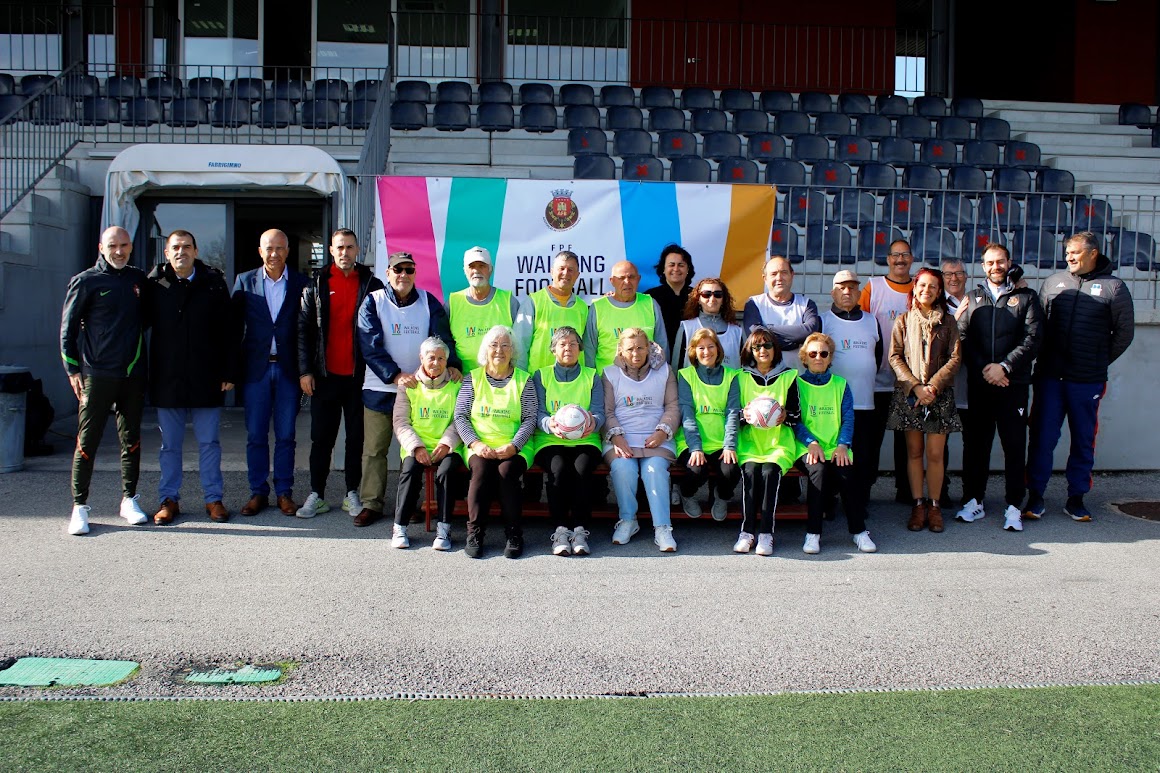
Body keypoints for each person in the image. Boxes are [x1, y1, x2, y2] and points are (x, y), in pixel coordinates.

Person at [1024, 231, 1134, 522]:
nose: (1069, 257)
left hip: (1087, 381)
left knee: (1084, 440)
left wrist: (1097, 360)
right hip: (1049, 378)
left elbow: (1124, 334)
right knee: (1041, 438)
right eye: (1067, 253)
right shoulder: (1053, 283)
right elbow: (1039, 328)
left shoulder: (1115, 288)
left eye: (1075, 252)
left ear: (1093, 253)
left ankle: (1076, 498)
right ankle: (1035, 495)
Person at [356, 251, 459, 528]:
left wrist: (454, 364)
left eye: (409, 270)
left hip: (420, 390)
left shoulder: (429, 302)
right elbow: (369, 345)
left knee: (415, 448)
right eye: (397, 270)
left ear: (415, 273)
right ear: (387, 273)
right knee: (375, 449)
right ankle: (371, 503)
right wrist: (395, 375)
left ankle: (410, 504)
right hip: (381, 387)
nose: (403, 275)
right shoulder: (372, 302)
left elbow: (443, 338)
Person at [60, 226, 150, 535]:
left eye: (124, 245)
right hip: (96, 375)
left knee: (132, 440)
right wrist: (74, 371)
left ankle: (129, 499)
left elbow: (149, 317)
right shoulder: (86, 281)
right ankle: (80, 506)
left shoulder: (139, 279)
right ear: (102, 247)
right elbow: (67, 331)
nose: (119, 251)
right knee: (88, 441)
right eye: (113, 245)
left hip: (133, 374)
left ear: (131, 246)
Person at [146, 229, 235, 526]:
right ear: (167, 253)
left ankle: (213, 499)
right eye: (175, 248)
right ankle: (168, 499)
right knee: (169, 445)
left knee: (209, 443)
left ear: (196, 251)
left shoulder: (213, 283)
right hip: (167, 376)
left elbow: (229, 331)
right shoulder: (154, 284)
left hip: (206, 376)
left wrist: (228, 370)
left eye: (186, 247)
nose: (181, 252)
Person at [296, 228, 384, 519]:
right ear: (331, 251)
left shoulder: (372, 284)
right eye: (339, 248)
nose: (344, 252)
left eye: (349, 247)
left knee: (355, 438)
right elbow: (304, 330)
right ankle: (317, 494)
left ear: (358, 250)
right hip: (324, 376)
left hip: (360, 378)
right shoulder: (316, 283)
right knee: (321, 438)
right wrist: (306, 370)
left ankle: (351, 493)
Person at [955, 243, 1042, 532]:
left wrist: (1004, 367)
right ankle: (973, 500)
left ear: (1009, 262)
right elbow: (963, 337)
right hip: (980, 384)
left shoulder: (1027, 298)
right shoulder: (973, 297)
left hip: (1012, 384)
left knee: (1014, 446)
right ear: (982, 267)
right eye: (990, 262)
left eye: (1000, 261)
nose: (995, 267)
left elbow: (1033, 339)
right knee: (976, 446)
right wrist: (986, 369)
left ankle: (1014, 505)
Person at [232, 229, 309, 517]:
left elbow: (307, 330)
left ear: (288, 251)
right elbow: (232, 327)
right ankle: (258, 492)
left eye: (279, 248)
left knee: (287, 435)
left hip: (289, 370)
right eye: (269, 248)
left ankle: (284, 492)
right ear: (260, 251)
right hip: (257, 370)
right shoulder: (244, 281)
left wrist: (307, 370)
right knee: (256, 434)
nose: (274, 254)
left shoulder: (301, 283)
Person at [886, 267, 962, 533]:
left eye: (932, 286)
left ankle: (935, 505)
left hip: (938, 395)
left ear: (939, 291)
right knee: (915, 452)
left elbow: (955, 358)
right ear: (914, 289)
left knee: (935, 454)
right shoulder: (903, 321)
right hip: (910, 396)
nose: (926, 290)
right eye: (922, 286)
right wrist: (916, 387)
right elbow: (895, 357)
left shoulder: (949, 322)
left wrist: (932, 387)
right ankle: (918, 505)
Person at [453, 325, 536, 559]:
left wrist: (514, 446)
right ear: (485, 350)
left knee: (507, 472)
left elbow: (530, 418)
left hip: (514, 445)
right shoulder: (473, 378)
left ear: (513, 351)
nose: (499, 350)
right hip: (480, 444)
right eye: (494, 345)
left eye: (505, 345)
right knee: (480, 471)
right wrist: (476, 444)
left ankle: (514, 534)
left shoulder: (524, 380)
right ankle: (475, 533)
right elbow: (460, 416)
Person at [793, 332, 876, 554]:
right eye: (813, 353)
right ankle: (813, 534)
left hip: (835, 446)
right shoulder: (796, 384)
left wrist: (843, 445)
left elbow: (848, 417)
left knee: (847, 472)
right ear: (804, 358)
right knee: (818, 471)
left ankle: (859, 532)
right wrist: (810, 442)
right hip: (807, 447)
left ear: (830, 358)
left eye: (823, 353)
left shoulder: (840, 384)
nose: (818, 357)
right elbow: (794, 421)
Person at [602, 328, 681, 552]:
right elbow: (607, 411)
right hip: (621, 438)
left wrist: (661, 432)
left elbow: (673, 407)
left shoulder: (664, 371)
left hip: (656, 437)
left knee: (654, 469)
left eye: (640, 347)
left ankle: (662, 527)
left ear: (648, 348)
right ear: (620, 350)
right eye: (629, 349)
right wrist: (616, 437)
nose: (635, 353)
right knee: (623, 468)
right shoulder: (609, 374)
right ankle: (628, 520)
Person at [532, 326, 604, 556]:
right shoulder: (541, 375)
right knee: (559, 470)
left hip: (586, 440)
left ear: (580, 349)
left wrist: (593, 423)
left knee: (582, 469)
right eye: (563, 344)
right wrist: (549, 425)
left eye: (573, 344)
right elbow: (538, 413)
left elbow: (600, 411)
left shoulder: (592, 375)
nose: (568, 348)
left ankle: (580, 529)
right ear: (554, 349)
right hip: (550, 441)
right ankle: (561, 530)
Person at [391, 336, 464, 550]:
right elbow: (401, 422)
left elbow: (460, 419)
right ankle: (399, 527)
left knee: (447, 472)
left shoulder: (457, 385)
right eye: (431, 358)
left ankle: (444, 529)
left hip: (447, 446)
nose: (436, 363)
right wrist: (417, 447)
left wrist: (446, 444)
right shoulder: (408, 385)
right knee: (410, 470)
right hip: (418, 445)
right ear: (421, 358)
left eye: (441, 358)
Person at [819, 270, 880, 522]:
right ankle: (829, 500)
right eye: (841, 287)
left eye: (852, 287)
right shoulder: (823, 321)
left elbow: (878, 355)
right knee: (833, 453)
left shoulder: (872, 321)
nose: (847, 292)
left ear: (859, 292)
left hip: (864, 401)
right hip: (832, 404)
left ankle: (858, 501)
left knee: (862, 456)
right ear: (833, 291)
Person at [734, 328, 800, 555]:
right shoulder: (740, 377)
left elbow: (797, 415)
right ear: (749, 351)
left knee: (770, 473)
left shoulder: (789, 376)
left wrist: (785, 416)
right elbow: (732, 414)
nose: (762, 350)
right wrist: (745, 415)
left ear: (775, 349)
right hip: (750, 442)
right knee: (751, 472)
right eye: (757, 347)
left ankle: (766, 534)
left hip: (778, 443)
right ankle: (746, 531)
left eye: (767, 345)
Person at [860, 239, 915, 505]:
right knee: (872, 440)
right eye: (895, 255)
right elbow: (859, 324)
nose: (900, 260)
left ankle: (906, 492)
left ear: (912, 258)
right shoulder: (874, 287)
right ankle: (864, 493)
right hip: (878, 379)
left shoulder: (920, 288)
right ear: (888, 259)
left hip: (910, 380)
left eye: (905, 255)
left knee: (907, 440)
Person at [676, 328, 741, 521]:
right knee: (696, 470)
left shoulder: (732, 376)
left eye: (710, 346)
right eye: (700, 347)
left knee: (730, 470)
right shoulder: (686, 375)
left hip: (721, 442)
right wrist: (695, 448)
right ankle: (686, 494)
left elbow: (732, 413)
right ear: (694, 351)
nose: (706, 352)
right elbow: (687, 415)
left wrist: (729, 445)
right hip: (692, 443)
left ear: (718, 350)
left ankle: (722, 497)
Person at [513, 250, 591, 373]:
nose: (565, 273)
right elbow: (519, 345)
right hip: (539, 382)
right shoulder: (533, 302)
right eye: (561, 268)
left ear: (577, 275)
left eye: (570, 270)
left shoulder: (583, 307)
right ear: (552, 272)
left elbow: (587, 348)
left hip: (574, 383)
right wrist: (522, 379)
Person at [585, 260, 668, 371]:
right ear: (612, 281)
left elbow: (662, 345)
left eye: (631, 277)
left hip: (646, 381)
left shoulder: (650, 304)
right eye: (621, 278)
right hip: (607, 383)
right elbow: (589, 349)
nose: (627, 282)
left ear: (638, 279)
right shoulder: (597, 307)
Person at [741, 255, 821, 371]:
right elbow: (756, 336)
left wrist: (768, 329)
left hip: (798, 377)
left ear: (792, 275)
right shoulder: (754, 303)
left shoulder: (807, 304)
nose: (779, 278)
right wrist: (793, 343)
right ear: (765, 278)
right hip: (763, 380)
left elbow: (809, 331)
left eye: (784, 272)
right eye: (774, 274)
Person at [448, 246, 520, 369]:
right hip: (462, 381)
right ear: (465, 271)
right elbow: (444, 343)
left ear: (490, 270)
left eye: (482, 266)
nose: (476, 271)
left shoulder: (508, 301)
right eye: (472, 267)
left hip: (500, 382)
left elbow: (520, 344)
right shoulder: (452, 302)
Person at [940, 258, 970, 508]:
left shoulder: (977, 300)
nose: (953, 278)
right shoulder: (938, 306)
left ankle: (971, 493)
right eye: (948, 274)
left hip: (971, 382)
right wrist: (957, 321)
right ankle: (942, 491)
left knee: (973, 440)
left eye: (958, 273)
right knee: (942, 443)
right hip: (945, 383)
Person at [671, 277, 743, 371]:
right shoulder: (686, 328)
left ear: (723, 299)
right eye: (706, 294)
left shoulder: (737, 332)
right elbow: (676, 367)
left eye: (718, 294)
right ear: (698, 299)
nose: (712, 299)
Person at [645, 243, 694, 353]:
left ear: (688, 269)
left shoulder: (698, 296)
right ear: (663, 268)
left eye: (681, 265)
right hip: (659, 357)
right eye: (671, 265)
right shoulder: (650, 297)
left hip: (691, 356)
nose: (676, 269)